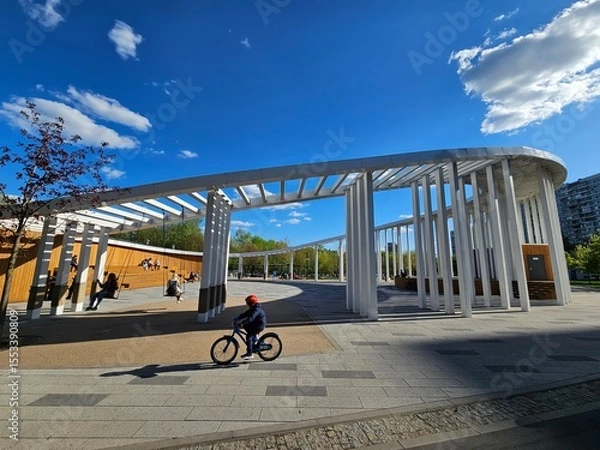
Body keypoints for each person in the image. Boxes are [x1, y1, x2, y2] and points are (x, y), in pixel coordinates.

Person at [234, 294, 267, 360]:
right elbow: (247, 313)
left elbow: (250, 318)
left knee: (249, 336)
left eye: (247, 304)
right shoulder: (253, 307)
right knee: (247, 327)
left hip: (259, 325)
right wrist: (239, 317)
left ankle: (250, 354)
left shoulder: (256, 309)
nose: (247, 305)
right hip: (256, 323)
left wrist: (242, 323)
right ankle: (254, 338)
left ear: (251, 304)